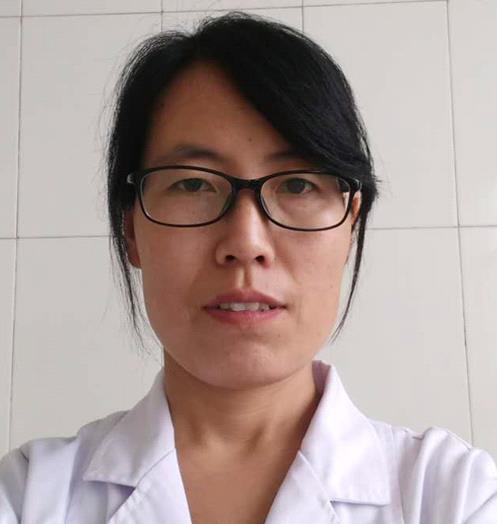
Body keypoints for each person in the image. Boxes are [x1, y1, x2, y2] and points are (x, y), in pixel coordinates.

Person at [0, 11, 496, 524]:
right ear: (131, 230)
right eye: (193, 183)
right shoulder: (27, 494)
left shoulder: (455, 496)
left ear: (350, 224)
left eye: (298, 184)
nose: (246, 243)